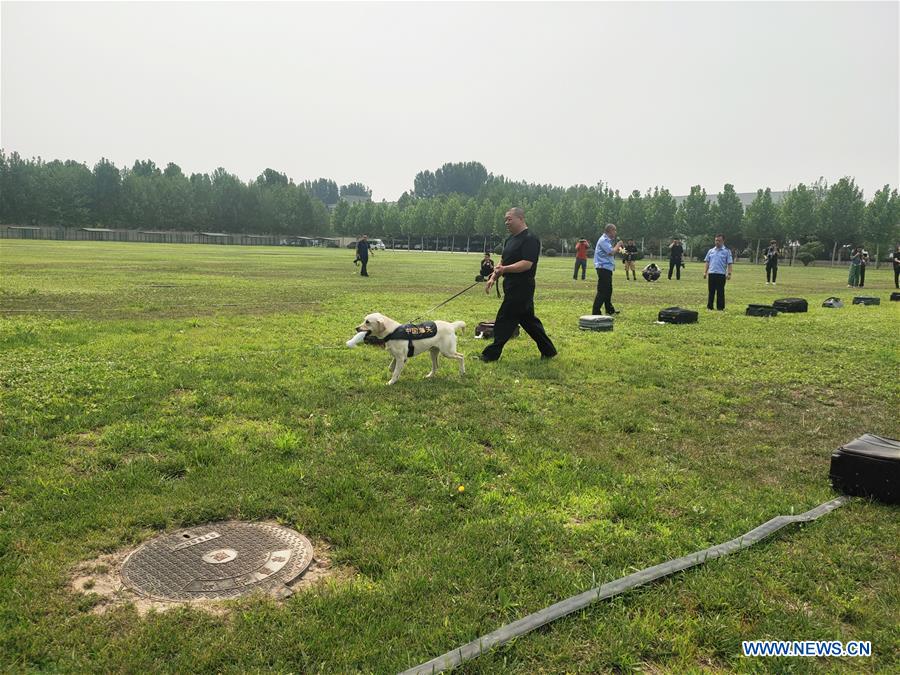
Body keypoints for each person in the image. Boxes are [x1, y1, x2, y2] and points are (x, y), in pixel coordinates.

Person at [481, 207, 557, 362]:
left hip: (522, 286)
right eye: (505, 219)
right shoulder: (510, 239)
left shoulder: (530, 239)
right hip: (510, 284)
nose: (506, 222)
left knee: (505, 318)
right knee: (528, 321)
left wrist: (505, 269)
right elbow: (503, 261)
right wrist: (493, 277)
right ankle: (549, 351)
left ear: (521, 218)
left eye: (509, 219)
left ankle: (490, 354)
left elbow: (527, 264)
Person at [592, 224, 625, 315]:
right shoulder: (603, 240)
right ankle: (595, 311)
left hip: (607, 268)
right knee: (602, 290)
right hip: (603, 268)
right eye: (614, 230)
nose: (615, 232)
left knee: (608, 290)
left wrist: (620, 249)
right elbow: (611, 252)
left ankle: (609, 309)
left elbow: (612, 251)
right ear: (610, 230)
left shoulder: (607, 241)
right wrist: (618, 245)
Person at [703, 234, 733, 310]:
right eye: (716, 240)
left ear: (723, 241)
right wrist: (705, 272)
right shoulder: (711, 251)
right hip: (712, 273)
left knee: (720, 292)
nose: (717, 242)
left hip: (721, 274)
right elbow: (707, 262)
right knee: (711, 291)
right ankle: (710, 307)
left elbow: (729, 263)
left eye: (719, 241)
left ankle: (720, 308)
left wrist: (729, 273)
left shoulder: (727, 251)